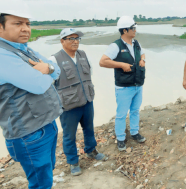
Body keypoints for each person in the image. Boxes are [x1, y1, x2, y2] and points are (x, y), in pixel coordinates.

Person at [0, 0, 62, 188]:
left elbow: (56, 69)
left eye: (27, 23)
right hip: (29, 133)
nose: (26, 28)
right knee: (40, 183)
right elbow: (39, 85)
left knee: (46, 175)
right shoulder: (1, 55)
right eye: (17, 23)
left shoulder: (23, 49)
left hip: (45, 124)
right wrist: (48, 69)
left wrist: (47, 69)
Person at [49, 28, 105, 176]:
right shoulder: (54, 59)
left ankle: (91, 150)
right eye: (71, 38)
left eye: (77, 38)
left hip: (87, 101)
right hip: (68, 106)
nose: (75, 41)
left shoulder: (83, 55)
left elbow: (89, 74)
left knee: (89, 129)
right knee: (69, 135)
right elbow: (50, 84)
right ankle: (73, 162)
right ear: (62, 41)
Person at [99, 16, 146, 152]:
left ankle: (134, 133)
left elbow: (143, 54)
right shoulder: (115, 46)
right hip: (124, 87)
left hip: (138, 84)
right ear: (125, 30)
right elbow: (103, 61)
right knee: (121, 114)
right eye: (133, 28)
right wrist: (120, 64)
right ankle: (120, 138)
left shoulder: (136, 43)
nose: (135, 30)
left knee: (135, 111)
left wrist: (143, 60)